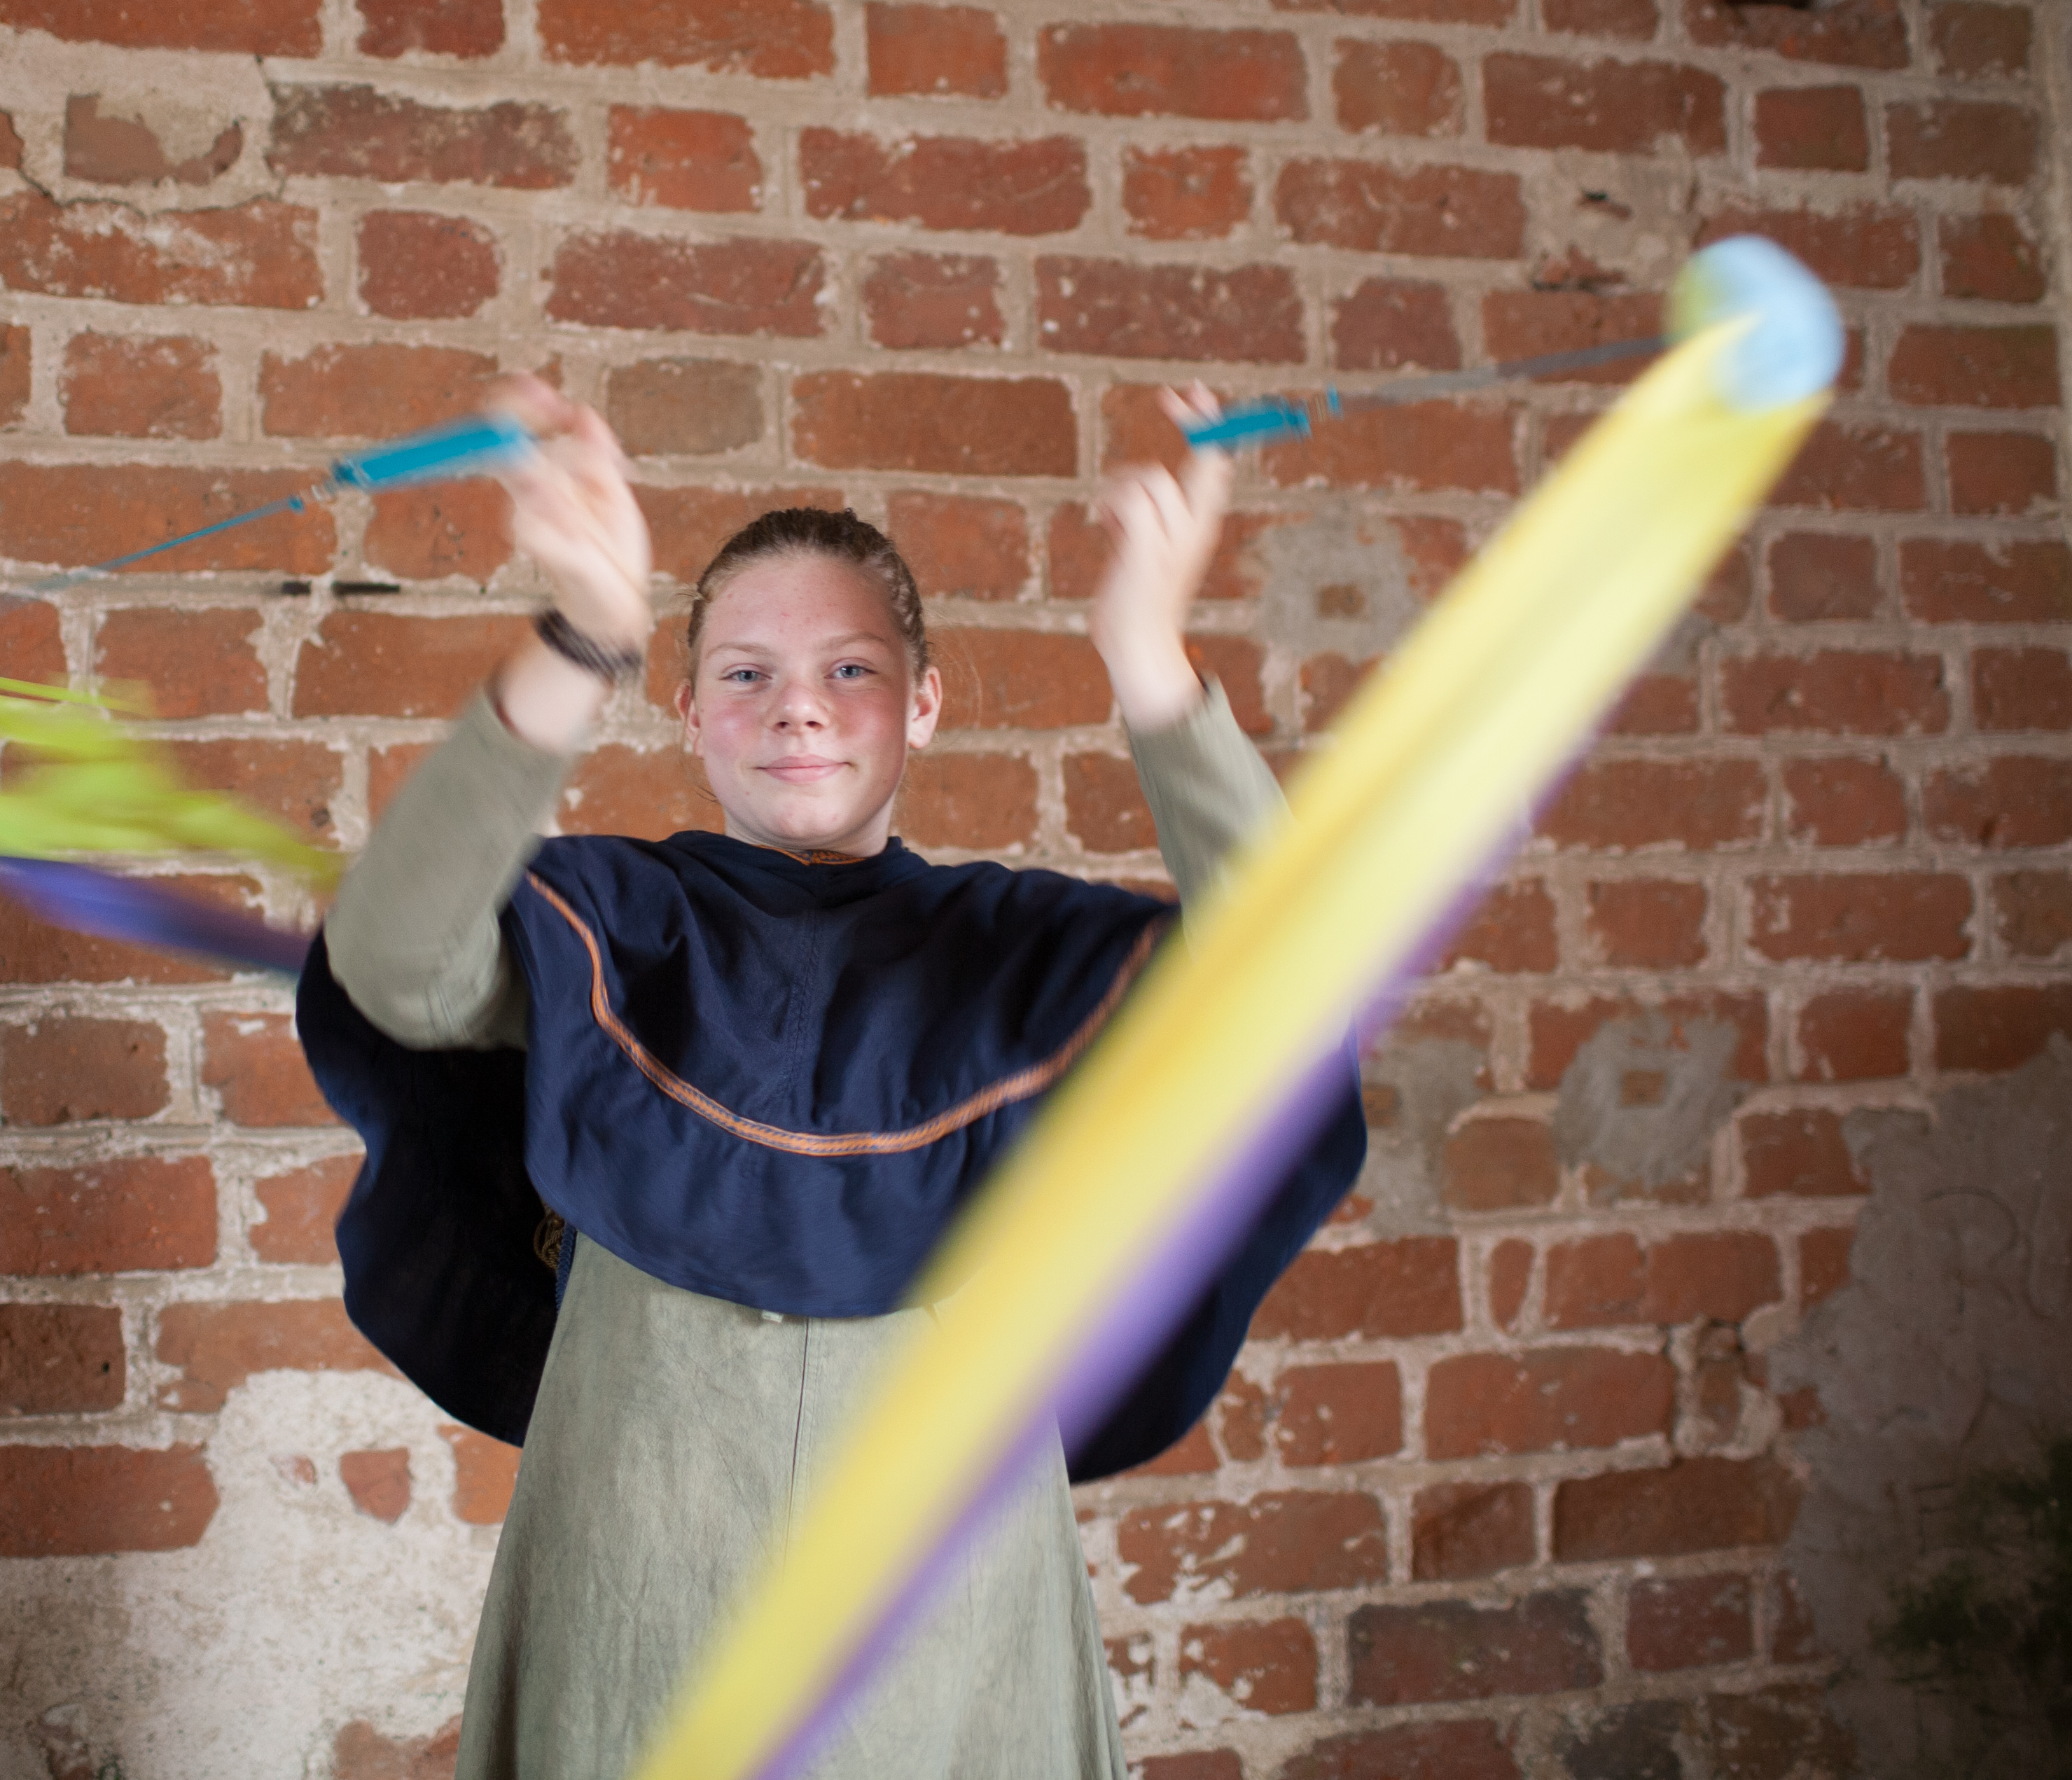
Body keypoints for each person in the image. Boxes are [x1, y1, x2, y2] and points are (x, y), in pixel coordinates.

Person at [293, 376, 1368, 1780]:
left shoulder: (1022, 954)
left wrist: (1148, 655)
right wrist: (581, 636)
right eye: (746, 674)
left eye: (850, 670)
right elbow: (395, 961)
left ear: (923, 706)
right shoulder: (602, 919)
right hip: (640, 1590)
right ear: (687, 712)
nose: (799, 708)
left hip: (951, 1603)